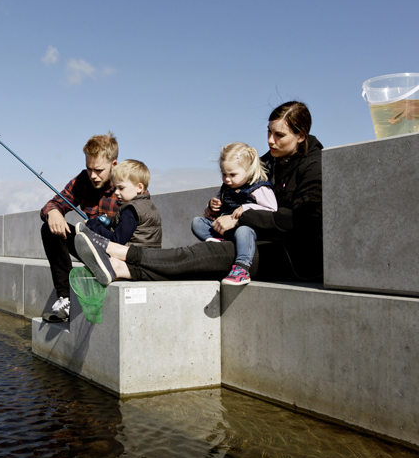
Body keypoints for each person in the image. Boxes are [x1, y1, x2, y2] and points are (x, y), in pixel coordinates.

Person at [74, 101, 323, 286]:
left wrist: (239, 218)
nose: (270, 140)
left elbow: (301, 220)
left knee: (201, 255)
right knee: (198, 261)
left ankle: (116, 251)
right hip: (256, 240)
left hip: (289, 255)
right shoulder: (267, 162)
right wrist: (217, 208)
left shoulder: (314, 166)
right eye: (268, 132)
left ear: (301, 135)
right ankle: (120, 269)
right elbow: (234, 190)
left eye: (279, 135)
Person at [40, 131, 120, 322]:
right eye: (89, 168)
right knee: (49, 229)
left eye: (99, 170)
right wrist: (54, 212)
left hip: (116, 251)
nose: (93, 175)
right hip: (89, 246)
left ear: (114, 164)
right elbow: (54, 203)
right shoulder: (83, 180)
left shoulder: (126, 184)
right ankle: (65, 298)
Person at [190, 142, 277, 285]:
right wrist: (212, 206)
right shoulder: (227, 187)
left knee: (244, 230)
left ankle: (242, 268)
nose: (227, 179)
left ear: (248, 170)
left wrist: (246, 208)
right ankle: (219, 241)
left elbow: (272, 209)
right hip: (225, 229)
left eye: (232, 174)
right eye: (224, 174)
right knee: (197, 222)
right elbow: (219, 203)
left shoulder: (259, 187)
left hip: (247, 229)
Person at [77, 159, 162, 248]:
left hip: (133, 258)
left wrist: (94, 225)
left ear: (139, 187)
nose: (116, 192)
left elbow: (117, 240)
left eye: (121, 188)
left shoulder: (130, 210)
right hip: (151, 256)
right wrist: (110, 225)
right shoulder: (149, 205)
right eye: (115, 188)